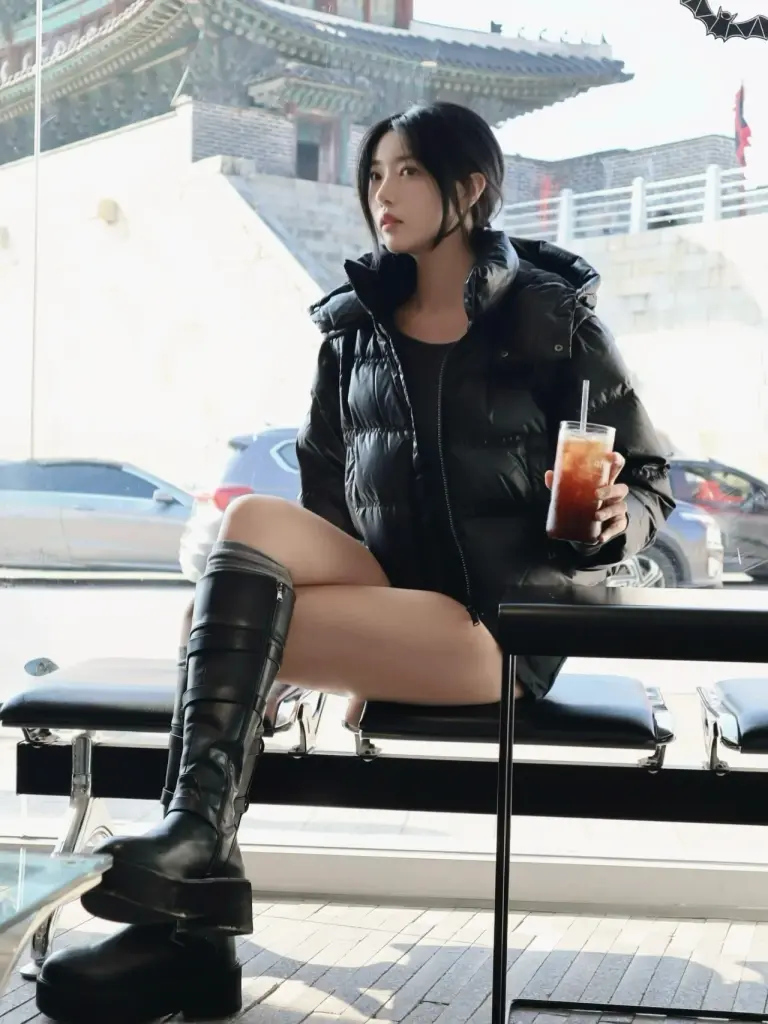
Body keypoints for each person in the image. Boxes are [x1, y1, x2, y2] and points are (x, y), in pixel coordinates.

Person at [35, 101, 675, 1021]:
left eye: (408, 171)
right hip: (394, 607)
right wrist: (323, 646)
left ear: (470, 188)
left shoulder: (550, 317)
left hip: (497, 625)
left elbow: (649, 476)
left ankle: (190, 928)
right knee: (249, 525)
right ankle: (191, 873)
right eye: (374, 173)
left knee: (212, 629)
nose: (384, 192)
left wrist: (619, 518)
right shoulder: (352, 333)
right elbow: (323, 505)